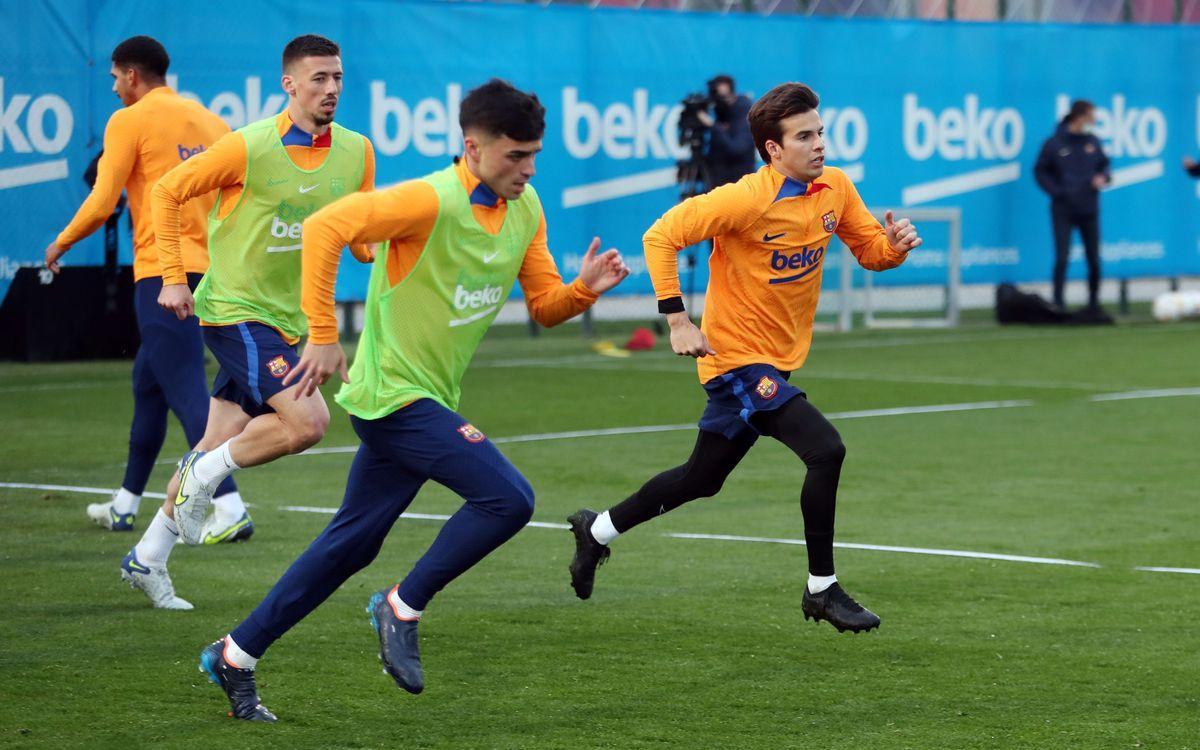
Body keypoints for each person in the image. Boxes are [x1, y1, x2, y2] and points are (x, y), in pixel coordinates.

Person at [195, 79, 629, 722]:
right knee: (508, 498)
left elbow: (544, 305)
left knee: (349, 545)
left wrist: (584, 289)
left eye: (534, 154)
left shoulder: (527, 206)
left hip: (426, 396)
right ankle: (401, 605)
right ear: (472, 145)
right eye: (515, 155)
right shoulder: (430, 201)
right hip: (392, 397)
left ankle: (234, 655)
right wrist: (322, 334)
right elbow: (325, 227)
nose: (528, 169)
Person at [567, 82, 923, 634]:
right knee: (825, 449)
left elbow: (871, 253)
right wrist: (679, 320)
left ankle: (596, 532)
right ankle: (821, 590)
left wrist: (894, 246)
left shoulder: (835, 189)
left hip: (776, 362)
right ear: (773, 150)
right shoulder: (744, 199)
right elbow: (659, 236)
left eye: (820, 131)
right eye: (804, 136)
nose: (819, 144)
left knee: (701, 478)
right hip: (735, 361)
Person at [117, 34, 375, 609]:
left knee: (214, 441)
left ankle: (148, 556)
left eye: (337, 77)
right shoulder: (248, 146)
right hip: (233, 311)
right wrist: (175, 277)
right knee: (308, 422)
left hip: (285, 320)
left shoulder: (357, 151)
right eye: (318, 79)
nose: (331, 88)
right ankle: (206, 480)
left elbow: (355, 225)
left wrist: (374, 247)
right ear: (289, 84)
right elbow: (166, 192)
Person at [42, 36, 238, 552]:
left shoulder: (127, 120)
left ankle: (231, 506)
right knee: (148, 384)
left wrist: (60, 242)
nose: (112, 87)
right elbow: (233, 201)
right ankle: (126, 503)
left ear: (132, 75)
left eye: (114, 77)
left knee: (189, 392)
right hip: (210, 274)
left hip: (161, 276)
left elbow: (104, 201)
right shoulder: (212, 121)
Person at [1034, 100, 1111, 311]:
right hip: (1063, 209)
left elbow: (1105, 167)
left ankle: (1093, 303)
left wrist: (1103, 177)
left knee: (1093, 259)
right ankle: (1058, 302)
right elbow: (1040, 171)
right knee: (1062, 257)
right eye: (1091, 115)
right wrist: (1058, 192)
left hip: (1089, 208)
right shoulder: (1055, 143)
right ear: (1080, 117)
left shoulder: (1093, 142)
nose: (1094, 120)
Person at [697, 74, 756, 190]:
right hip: (718, 180)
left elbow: (738, 148)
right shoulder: (721, 114)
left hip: (737, 186)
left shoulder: (743, 112)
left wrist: (713, 125)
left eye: (722, 97)